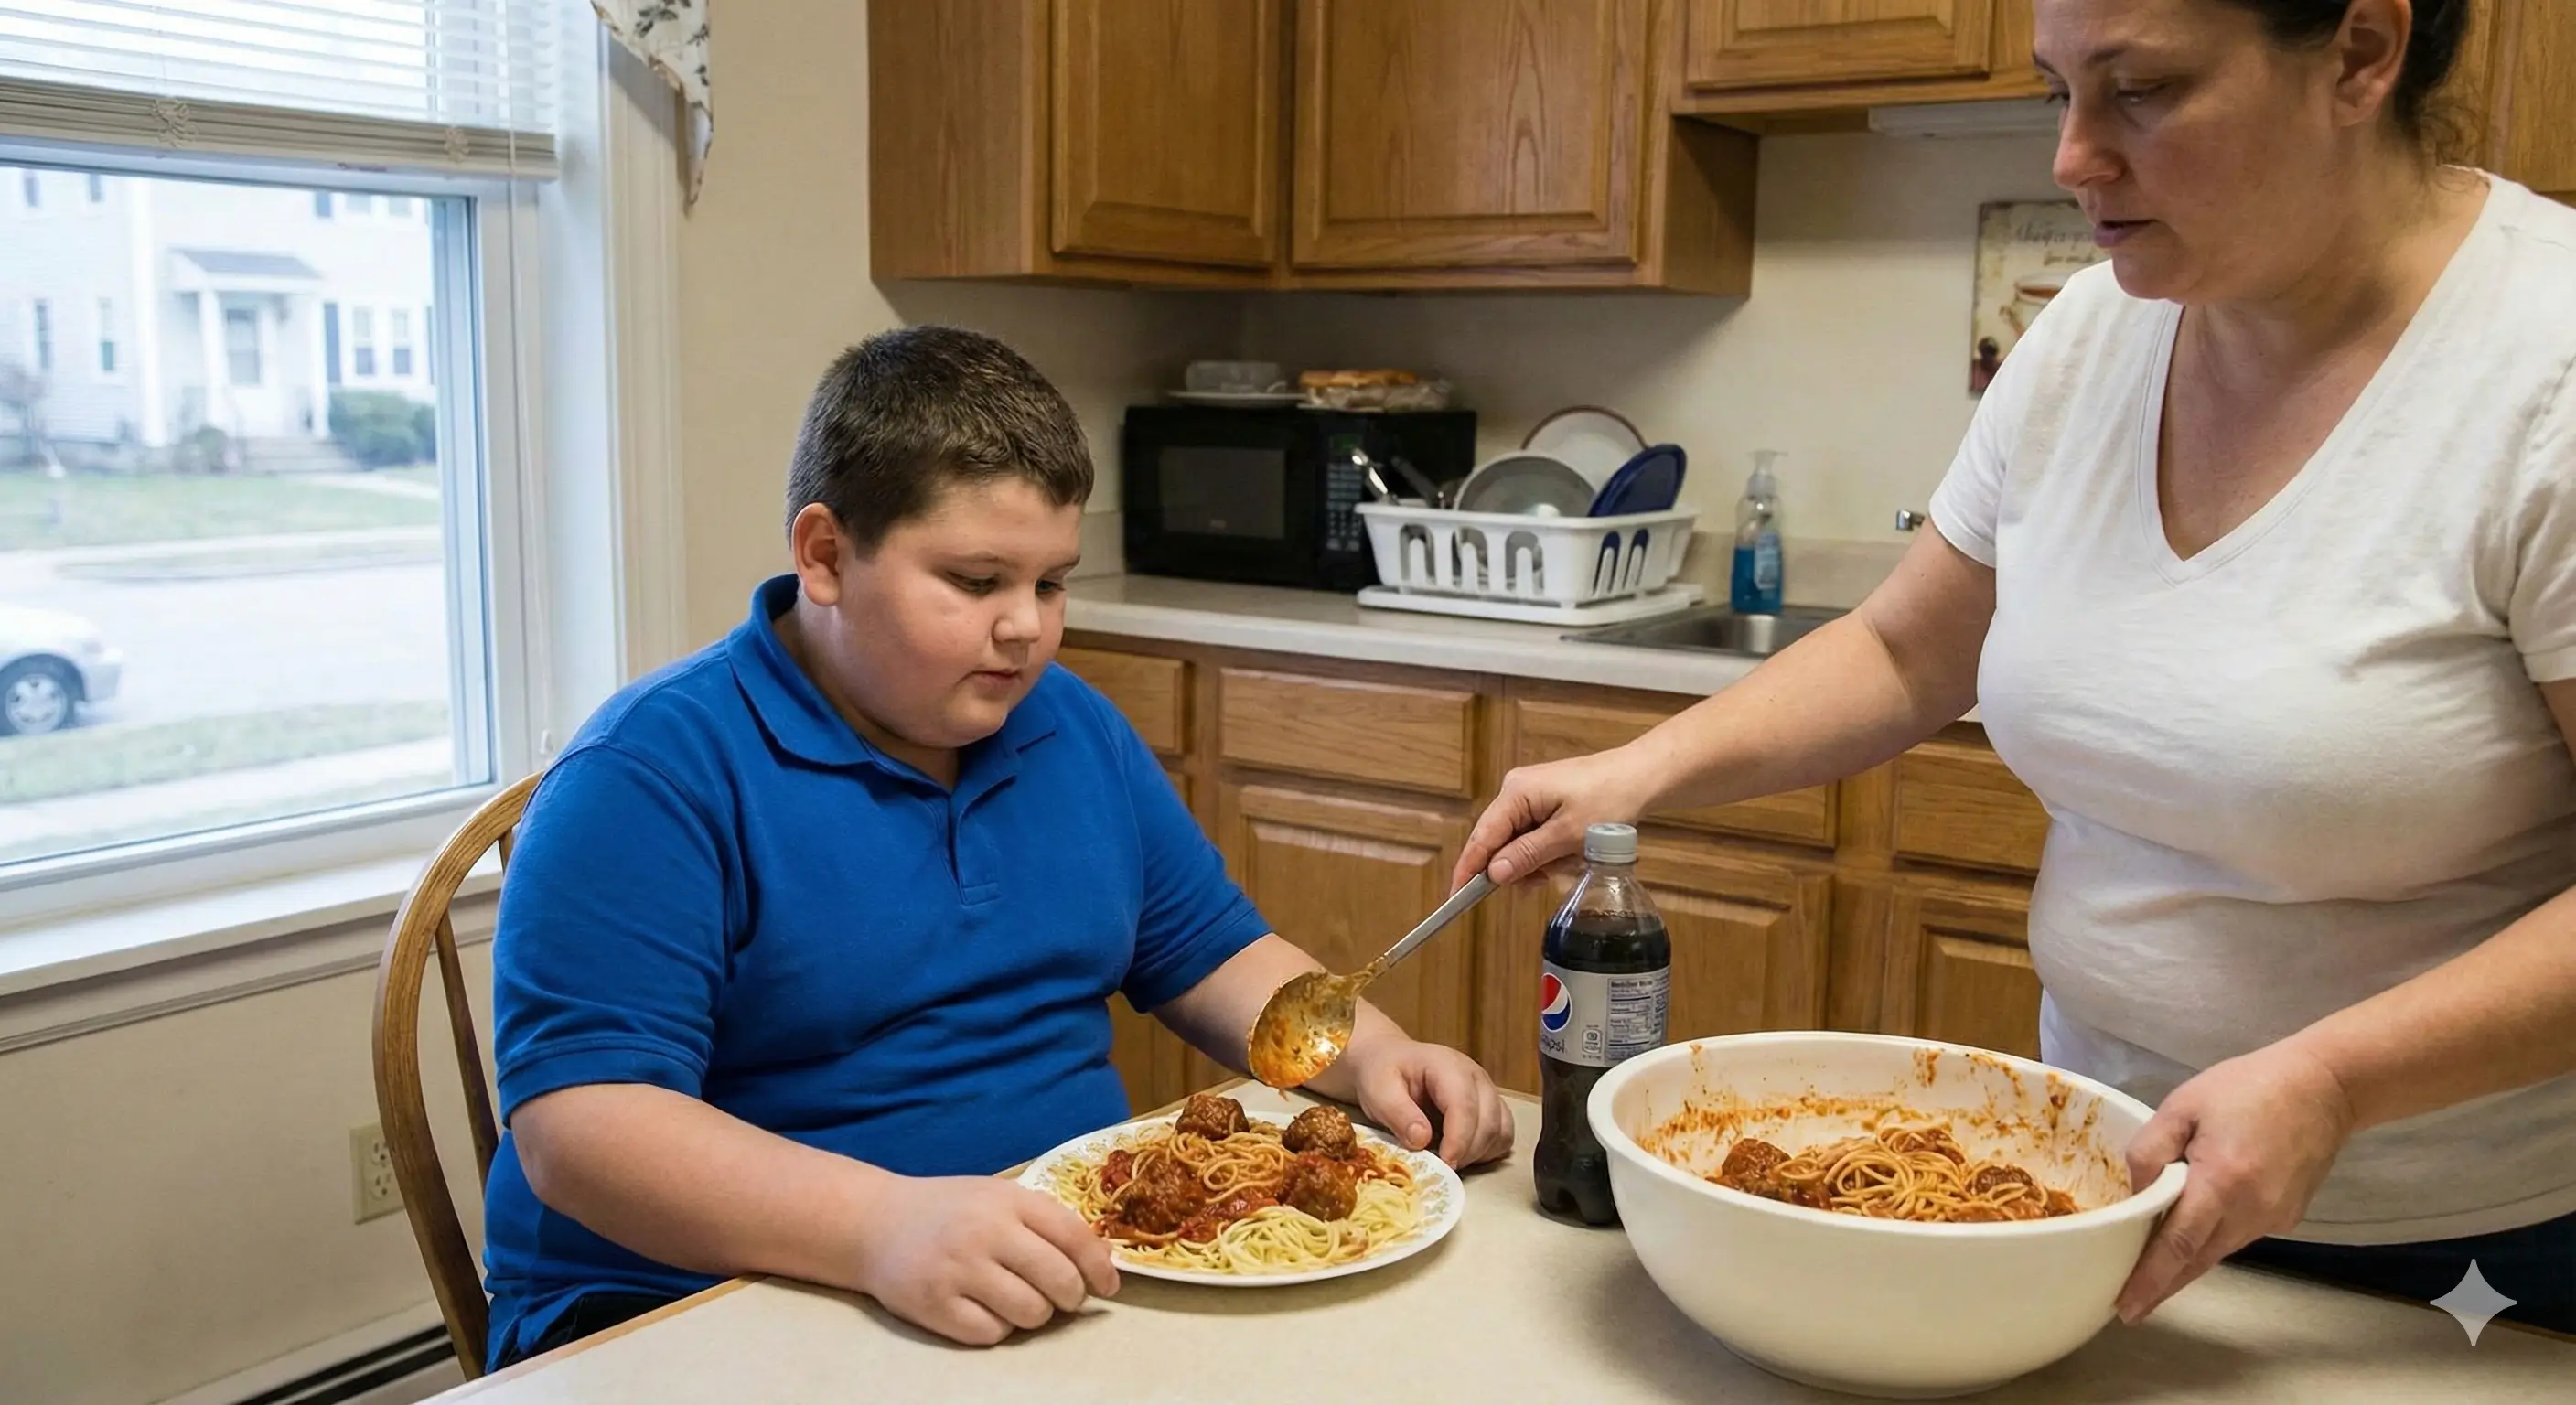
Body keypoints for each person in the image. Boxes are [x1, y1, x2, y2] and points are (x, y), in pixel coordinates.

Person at [1455, 0, 2576, 1334]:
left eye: (2142, 90)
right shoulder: (2092, 332)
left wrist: (2334, 1083)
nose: (2073, 156)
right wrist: (1633, 774)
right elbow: (1905, 648)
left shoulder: (2541, 364)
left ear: (2359, 54)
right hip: (2100, 1185)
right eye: (2059, 92)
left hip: (2467, 1240)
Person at [480, 327, 1515, 1368]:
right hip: (697, 1304)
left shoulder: (1069, 726)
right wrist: (880, 1229)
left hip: (1042, 1274)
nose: (1025, 629)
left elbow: (1207, 952)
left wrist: (1376, 1053)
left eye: (1051, 584)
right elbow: (582, 1131)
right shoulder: (648, 775)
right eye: (976, 583)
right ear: (825, 556)